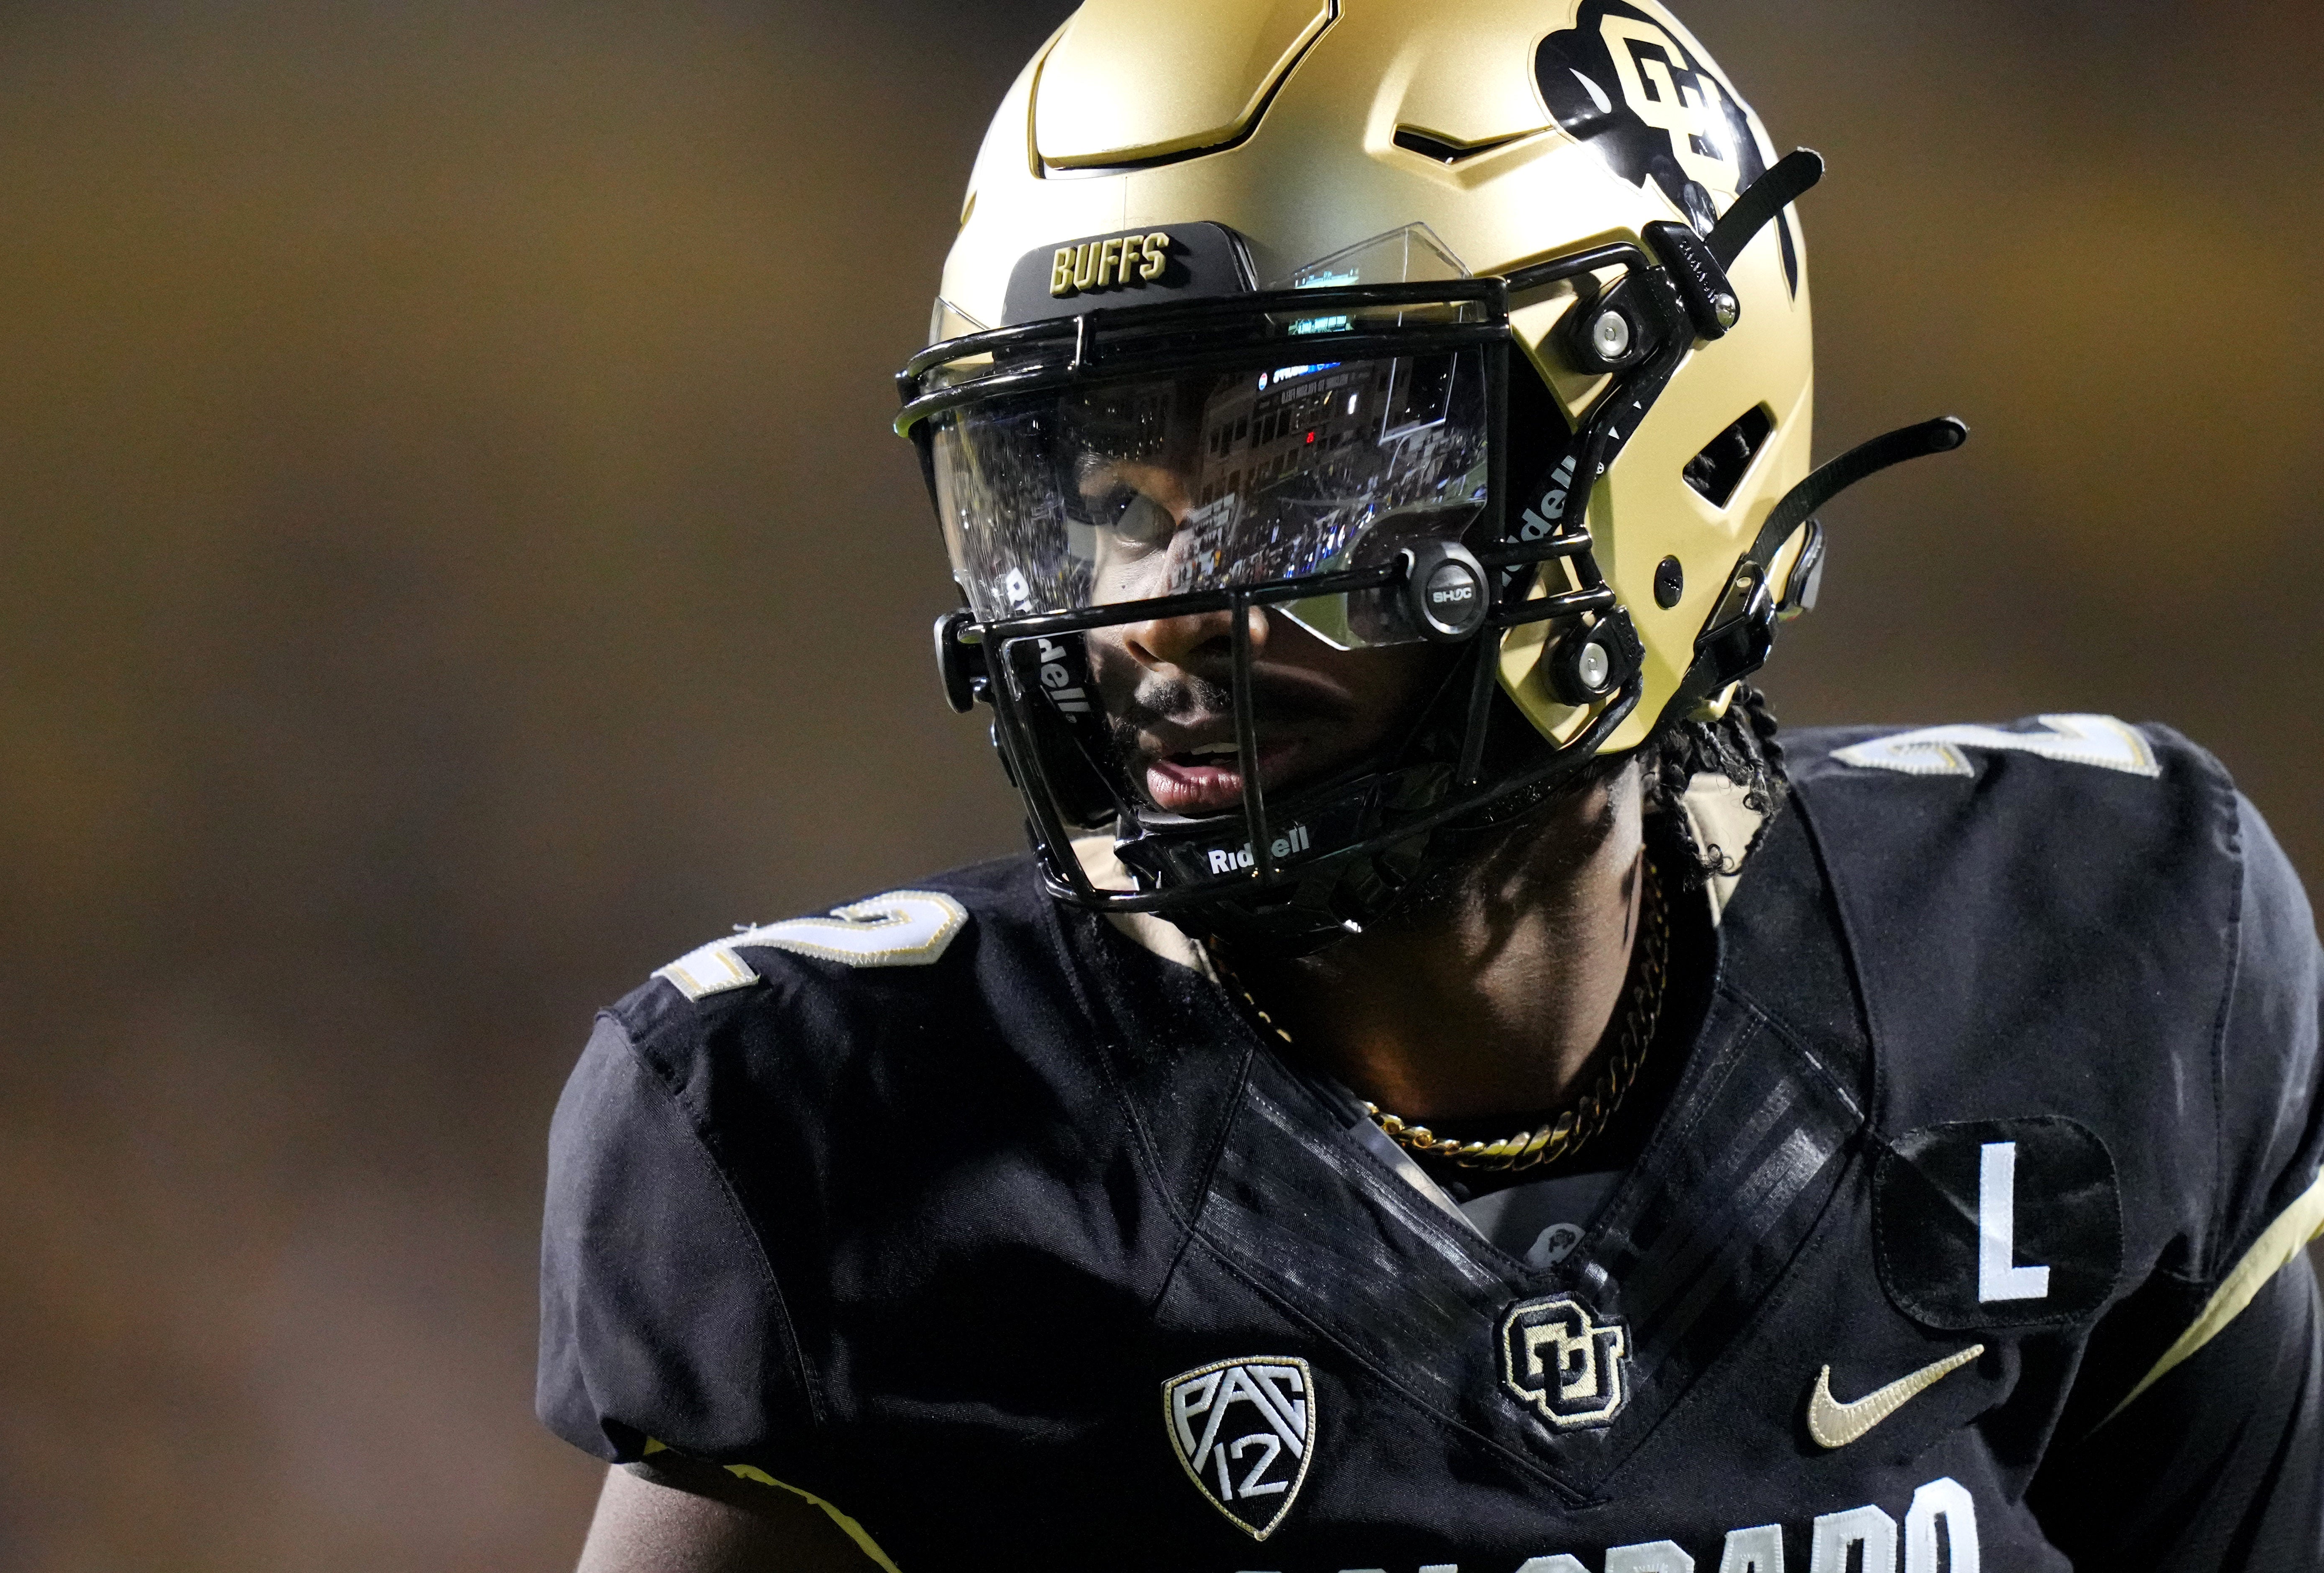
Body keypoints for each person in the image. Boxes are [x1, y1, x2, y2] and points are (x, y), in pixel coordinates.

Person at [538, 3, 2324, 1569]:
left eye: (1301, 463)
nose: (1155, 616)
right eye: (1104, 495)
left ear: (1668, 438)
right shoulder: (859, 1139)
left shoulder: (2083, 947)